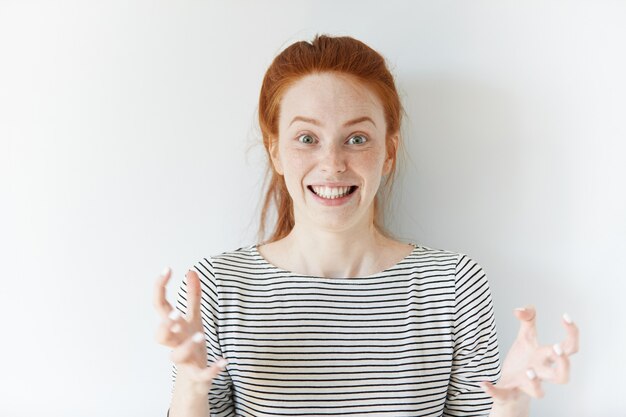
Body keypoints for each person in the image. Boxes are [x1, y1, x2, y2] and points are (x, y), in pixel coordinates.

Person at [153, 34, 579, 417]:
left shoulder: (452, 286)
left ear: (389, 152)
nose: (333, 164)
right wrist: (191, 385)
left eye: (357, 138)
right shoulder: (217, 286)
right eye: (307, 138)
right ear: (276, 152)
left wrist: (514, 401)